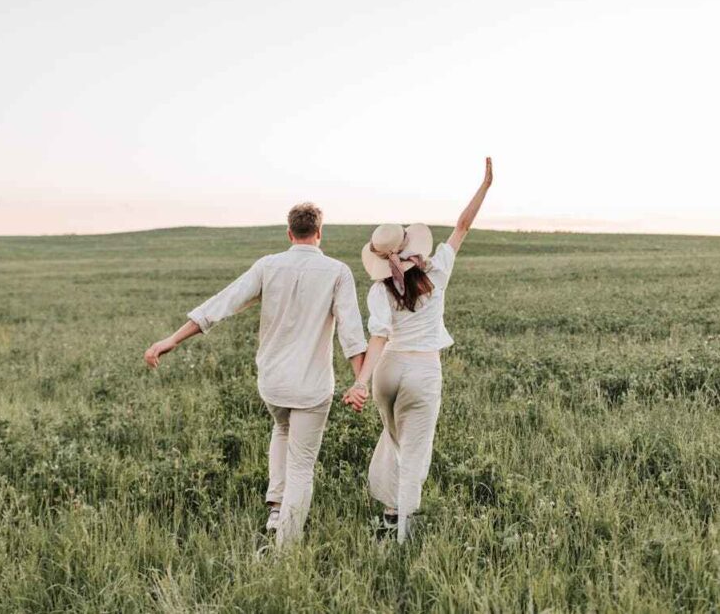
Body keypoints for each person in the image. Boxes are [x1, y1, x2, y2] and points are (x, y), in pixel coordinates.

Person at [144, 203, 367, 547]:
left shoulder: (268, 265)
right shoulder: (337, 271)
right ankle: (286, 548)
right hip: (311, 385)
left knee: (281, 428)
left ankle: (277, 510)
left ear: (290, 233)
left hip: (273, 383)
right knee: (302, 465)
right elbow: (351, 333)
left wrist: (171, 339)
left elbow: (223, 303)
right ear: (320, 233)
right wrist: (359, 383)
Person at [342, 157, 493, 542]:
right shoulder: (437, 271)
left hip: (388, 372)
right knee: (415, 451)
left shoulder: (379, 290)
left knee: (395, 441)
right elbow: (462, 226)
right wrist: (485, 186)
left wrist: (362, 381)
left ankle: (390, 516)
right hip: (424, 370)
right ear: (411, 245)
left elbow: (378, 334)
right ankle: (402, 534)